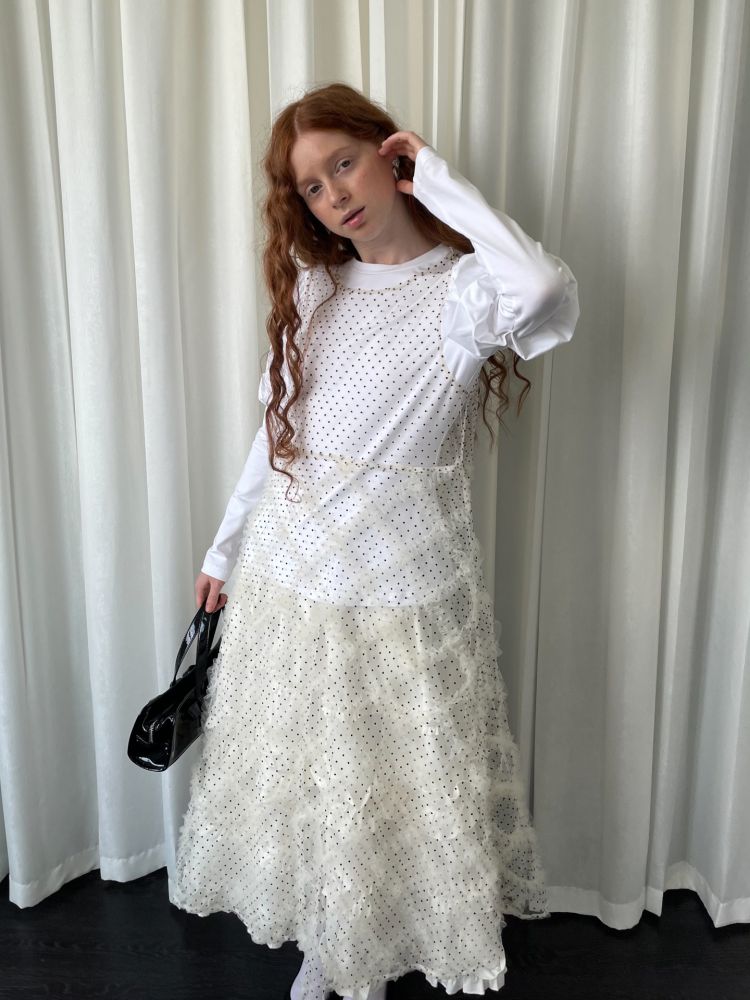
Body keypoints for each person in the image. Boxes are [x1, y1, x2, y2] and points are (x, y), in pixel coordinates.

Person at [169, 82, 580, 1000]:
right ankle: (327, 939)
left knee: (399, 778)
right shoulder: (317, 289)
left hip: (402, 584)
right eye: (311, 188)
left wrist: (437, 179)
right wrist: (223, 551)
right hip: (292, 573)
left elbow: (545, 290)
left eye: (345, 165)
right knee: (313, 773)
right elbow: (273, 440)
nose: (335, 196)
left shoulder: (465, 290)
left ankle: (378, 937)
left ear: (388, 156)